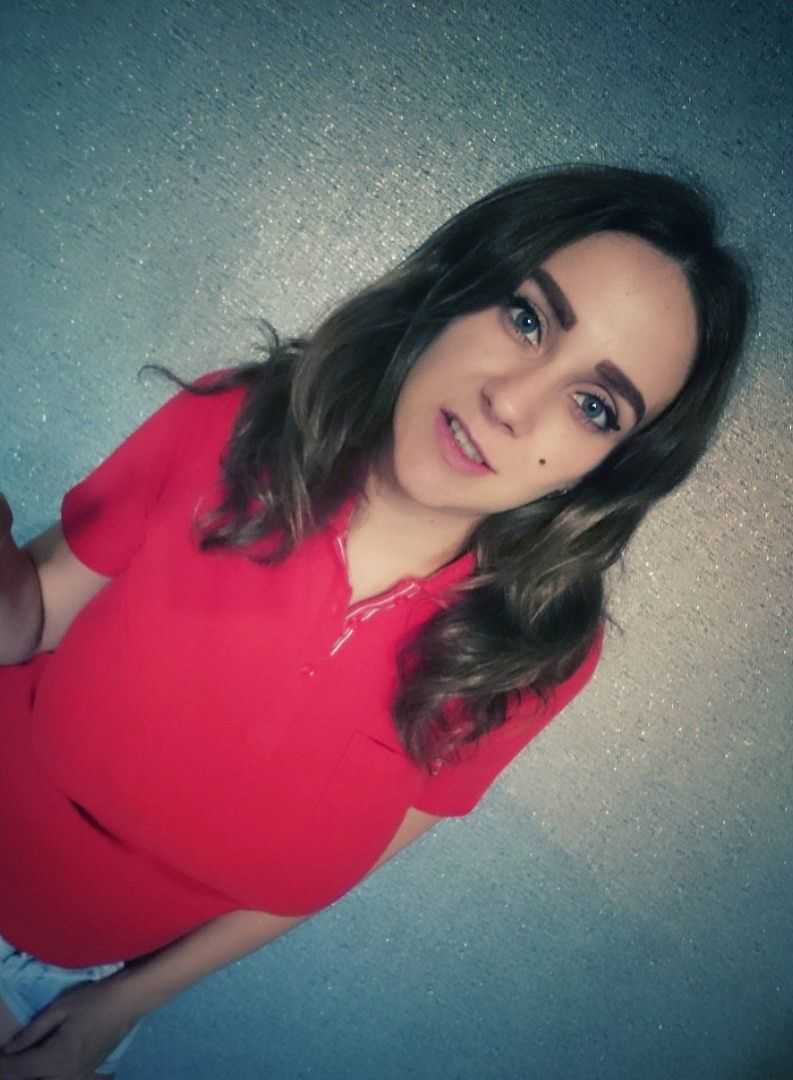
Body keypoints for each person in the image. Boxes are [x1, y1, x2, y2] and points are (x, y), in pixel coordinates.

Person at [0, 163, 750, 1078]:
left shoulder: (536, 657)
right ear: (455, 290)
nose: (512, 404)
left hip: (67, 997)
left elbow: (320, 880)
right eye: (526, 319)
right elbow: (28, 622)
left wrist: (117, 1007)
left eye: (593, 406)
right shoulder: (236, 422)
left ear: (609, 469)